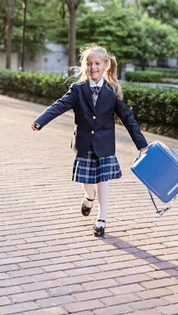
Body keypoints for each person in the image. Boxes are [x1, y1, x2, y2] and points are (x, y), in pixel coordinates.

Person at [31, 44, 148, 237]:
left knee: (103, 180)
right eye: (89, 63)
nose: (93, 67)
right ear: (84, 66)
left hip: (105, 144)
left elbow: (127, 118)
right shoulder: (77, 89)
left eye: (97, 63)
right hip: (85, 142)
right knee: (86, 180)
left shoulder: (112, 91)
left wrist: (142, 144)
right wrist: (40, 120)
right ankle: (89, 196)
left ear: (106, 65)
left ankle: (101, 219)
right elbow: (59, 106)